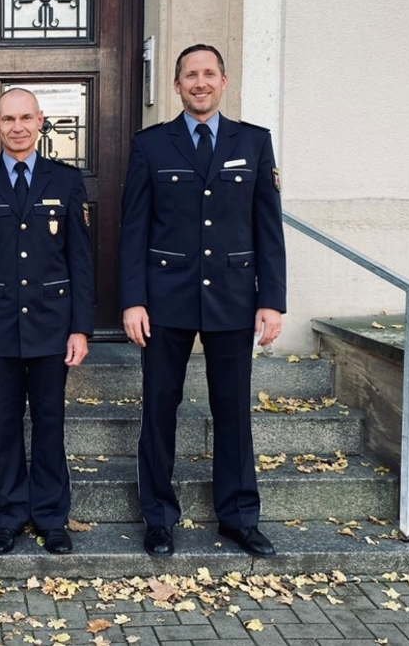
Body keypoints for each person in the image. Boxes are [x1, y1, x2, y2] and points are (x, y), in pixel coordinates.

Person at [119, 44, 287, 559]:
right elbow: (134, 229)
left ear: (224, 81)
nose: (199, 82)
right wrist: (133, 301)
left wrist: (272, 300)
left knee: (233, 411)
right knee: (159, 410)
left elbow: (267, 227)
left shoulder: (254, 142)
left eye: (208, 74)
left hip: (234, 298)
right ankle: (159, 518)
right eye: (190, 75)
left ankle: (238, 518)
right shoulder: (151, 144)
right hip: (165, 298)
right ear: (176, 85)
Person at [0, 88, 93, 555]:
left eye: (25, 118)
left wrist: (80, 327)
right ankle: (9, 514)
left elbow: (80, 259)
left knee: (50, 421)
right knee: (6, 422)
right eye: (8, 119)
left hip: (53, 324)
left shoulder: (65, 180)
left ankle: (52, 516)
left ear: (40, 122)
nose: (17, 126)